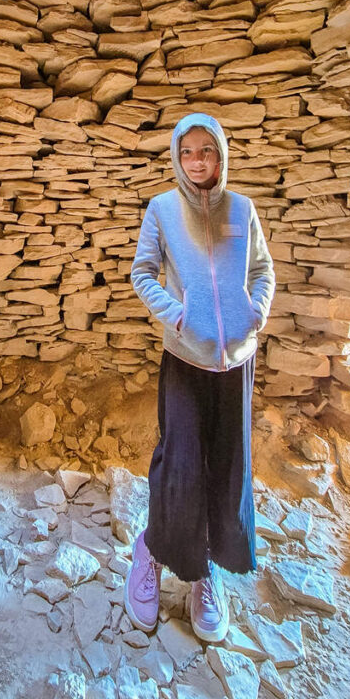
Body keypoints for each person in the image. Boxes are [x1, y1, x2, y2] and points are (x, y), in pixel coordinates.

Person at [125, 112, 275, 643]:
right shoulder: (163, 210)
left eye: (206, 150)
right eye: (187, 151)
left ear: (221, 155)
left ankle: (203, 571)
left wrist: (255, 312)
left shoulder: (243, 209)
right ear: (176, 155)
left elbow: (263, 271)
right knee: (181, 464)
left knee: (228, 465)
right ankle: (154, 551)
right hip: (186, 358)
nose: (197, 161)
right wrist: (180, 315)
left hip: (237, 361)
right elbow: (142, 272)